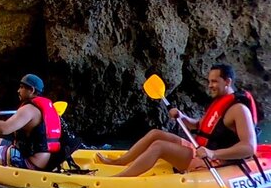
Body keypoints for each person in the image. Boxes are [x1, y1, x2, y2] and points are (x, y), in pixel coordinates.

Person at [97, 63, 257, 177]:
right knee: (155, 134)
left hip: (215, 160)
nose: (210, 85)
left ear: (227, 82)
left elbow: (249, 148)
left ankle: (121, 178)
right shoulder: (219, 102)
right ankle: (120, 162)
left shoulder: (239, 109)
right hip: (201, 149)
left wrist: (213, 153)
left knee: (159, 146)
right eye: (209, 81)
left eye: (214, 81)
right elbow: (199, 126)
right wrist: (182, 117)